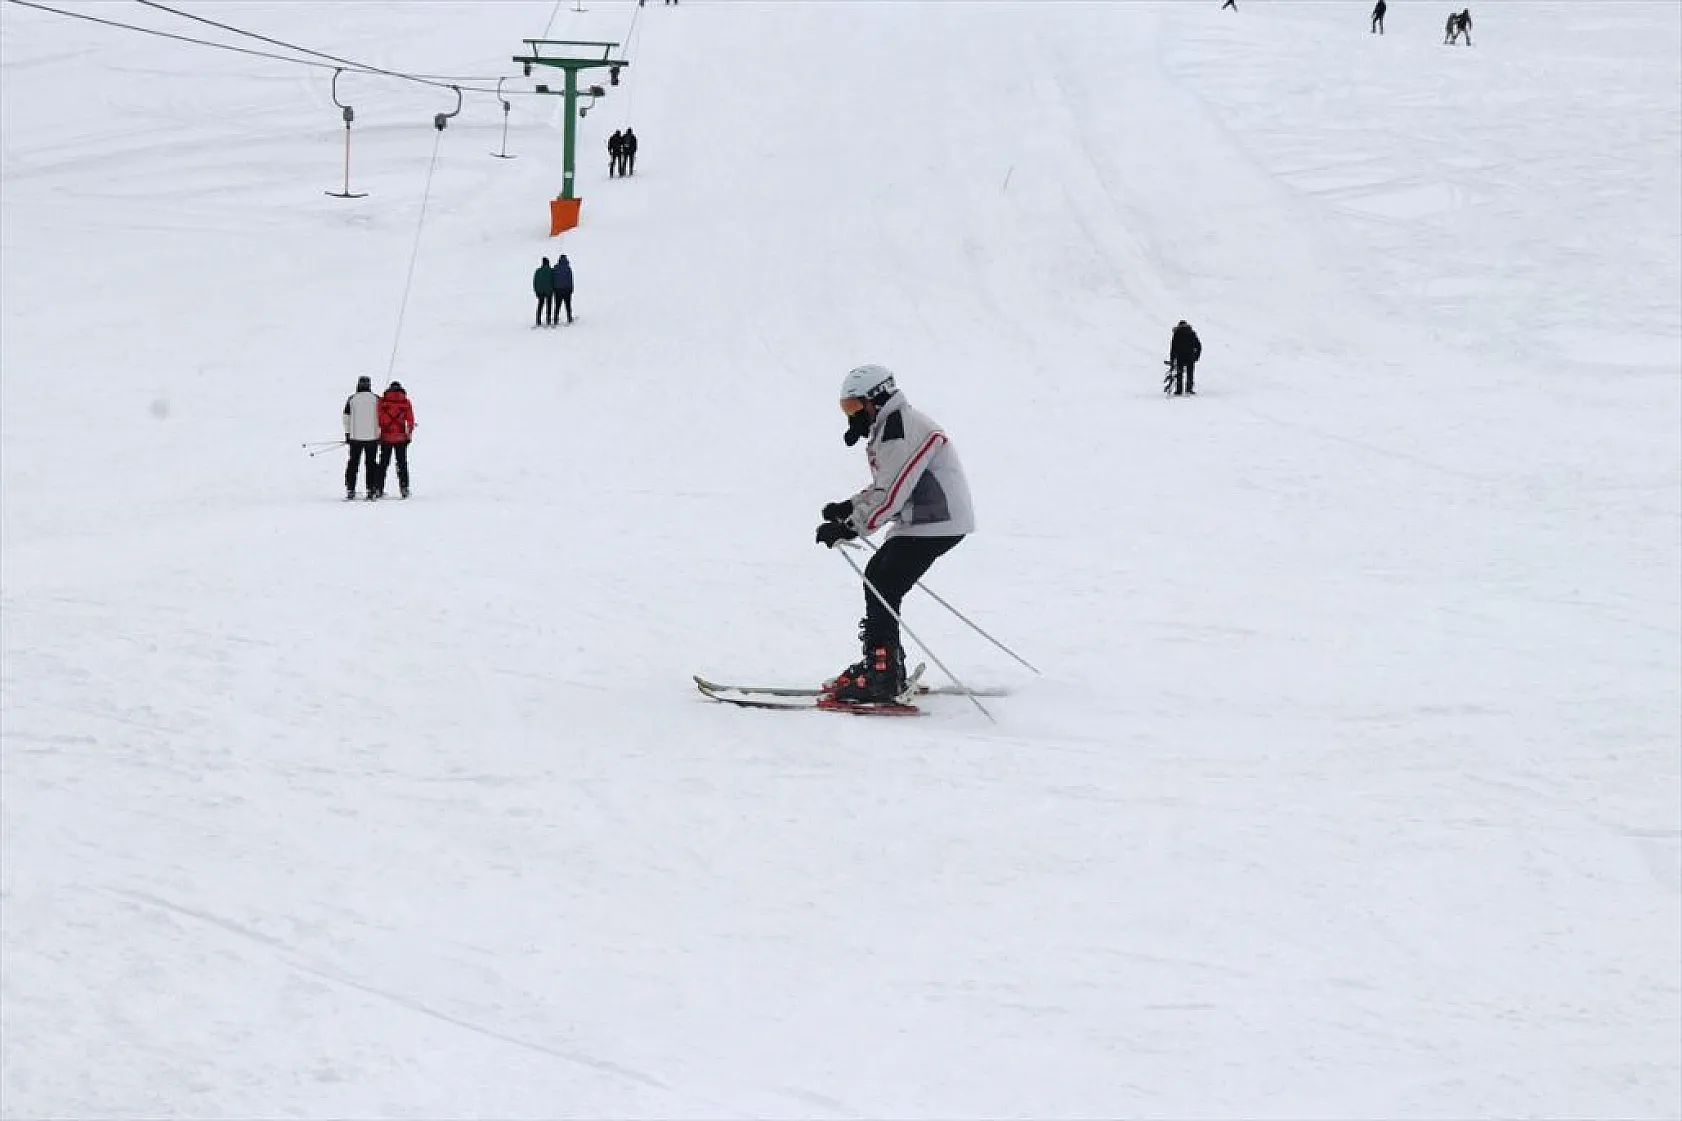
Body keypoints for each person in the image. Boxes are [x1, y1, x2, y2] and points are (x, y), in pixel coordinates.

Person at [815, 365, 975, 704]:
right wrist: (849, 507)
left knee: (882, 581)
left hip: (937, 521)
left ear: (877, 398)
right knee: (881, 578)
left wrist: (850, 526)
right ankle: (884, 665)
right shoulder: (890, 427)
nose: (852, 415)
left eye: (855, 407)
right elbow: (885, 487)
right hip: (925, 520)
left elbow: (891, 495)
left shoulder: (899, 431)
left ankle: (883, 676)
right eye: (847, 409)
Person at [372, 381, 416, 499]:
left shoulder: (382, 402)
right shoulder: (405, 402)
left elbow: (378, 419)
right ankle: (404, 488)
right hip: (401, 438)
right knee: (402, 463)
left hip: (386, 437)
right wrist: (408, 435)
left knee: (383, 464)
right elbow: (410, 421)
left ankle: (378, 488)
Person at [342, 375, 381, 499]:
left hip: (355, 438)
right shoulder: (376, 399)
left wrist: (347, 434)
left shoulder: (352, 399)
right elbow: (381, 418)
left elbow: (346, 417)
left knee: (353, 463)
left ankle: (350, 489)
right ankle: (371, 489)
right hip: (372, 438)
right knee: (371, 464)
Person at [1167, 320, 1202, 396]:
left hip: (1180, 357)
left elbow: (1173, 348)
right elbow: (1198, 346)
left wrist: (1172, 359)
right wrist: (1196, 356)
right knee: (1190, 373)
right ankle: (1189, 389)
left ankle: (1179, 390)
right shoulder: (1191, 333)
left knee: (1179, 374)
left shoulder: (1177, 334)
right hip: (1190, 356)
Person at [533, 256, 555, 327]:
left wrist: (536, 291)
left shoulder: (538, 271)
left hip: (540, 291)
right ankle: (548, 320)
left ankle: (538, 320)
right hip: (549, 291)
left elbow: (535, 282)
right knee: (549, 305)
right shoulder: (551, 271)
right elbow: (553, 281)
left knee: (540, 305)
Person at [552, 254, 575, 324]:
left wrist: (554, 288)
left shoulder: (555, 268)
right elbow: (570, 279)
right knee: (568, 305)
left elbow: (553, 279)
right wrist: (571, 289)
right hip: (567, 289)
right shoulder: (568, 268)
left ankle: (555, 319)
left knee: (557, 305)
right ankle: (569, 318)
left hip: (558, 289)